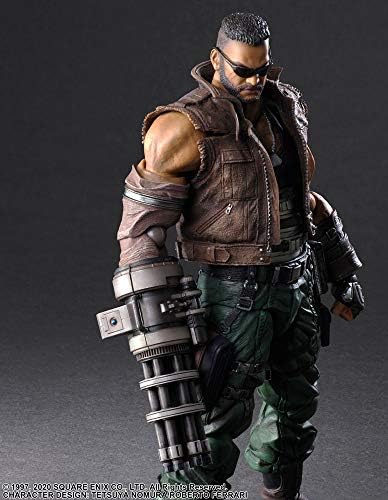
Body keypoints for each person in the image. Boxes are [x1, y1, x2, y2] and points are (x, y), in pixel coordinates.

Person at [116, 12, 365, 500]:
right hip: (235, 297)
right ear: (216, 60)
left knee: (293, 410)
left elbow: (305, 201)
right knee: (213, 421)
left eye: (262, 70)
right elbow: (141, 231)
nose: (254, 82)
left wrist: (342, 269)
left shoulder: (285, 109)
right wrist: (154, 320)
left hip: (297, 284)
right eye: (243, 71)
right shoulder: (181, 127)